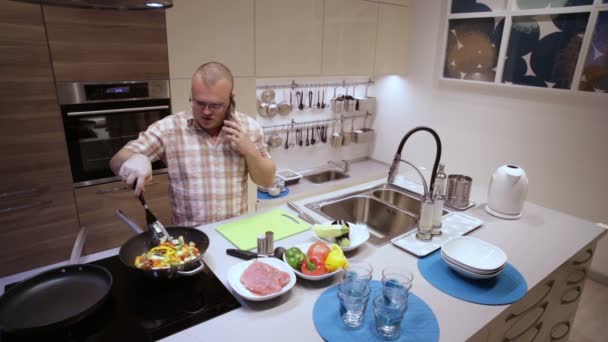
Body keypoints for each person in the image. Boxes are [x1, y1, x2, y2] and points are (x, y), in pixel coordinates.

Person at [110, 62, 276, 226]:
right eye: (199, 103)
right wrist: (137, 158)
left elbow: (267, 181)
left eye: (216, 105)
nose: (206, 112)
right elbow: (116, 161)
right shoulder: (169, 129)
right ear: (192, 95)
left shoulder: (249, 128)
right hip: (190, 243)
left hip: (233, 234)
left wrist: (250, 151)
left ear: (231, 98)